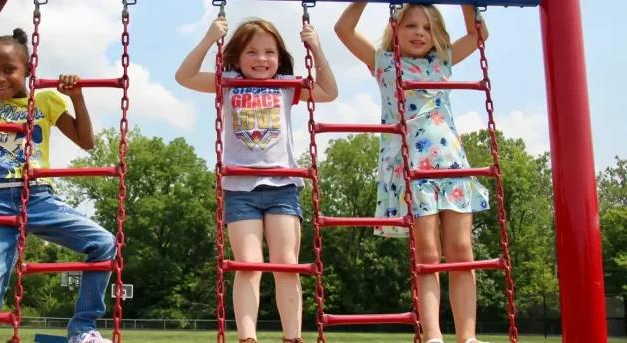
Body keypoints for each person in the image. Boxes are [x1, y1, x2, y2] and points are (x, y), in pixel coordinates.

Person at [175, 16, 338, 343]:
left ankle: (293, 337)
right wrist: (210, 37)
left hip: (283, 187)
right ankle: (248, 338)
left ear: (280, 58)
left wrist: (317, 49)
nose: (261, 59)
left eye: (269, 52)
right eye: (251, 52)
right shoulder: (228, 81)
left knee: (286, 265)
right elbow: (185, 76)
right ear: (236, 56)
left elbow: (328, 92)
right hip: (239, 189)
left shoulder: (287, 84)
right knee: (248, 265)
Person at [335, 3, 491, 343]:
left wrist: (468, 5)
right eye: (410, 26)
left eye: (426, 27)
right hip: (412, 170)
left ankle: (468, 337)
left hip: (452, 165)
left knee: (462, 249)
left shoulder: (442, 61)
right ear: (395, 30)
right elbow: (343, 30)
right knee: (429, 253)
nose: (419, 32)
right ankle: (433, 334)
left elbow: (479, 34)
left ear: (436, 35)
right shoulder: (385, 63)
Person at [0, 1, 116, 343]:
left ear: (28, 68)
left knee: (104, 242)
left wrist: (77, 97)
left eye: (8, 69)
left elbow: (87, 141)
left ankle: (83, 328)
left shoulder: (47, 101)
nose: (0, 78)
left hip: (37, 197)